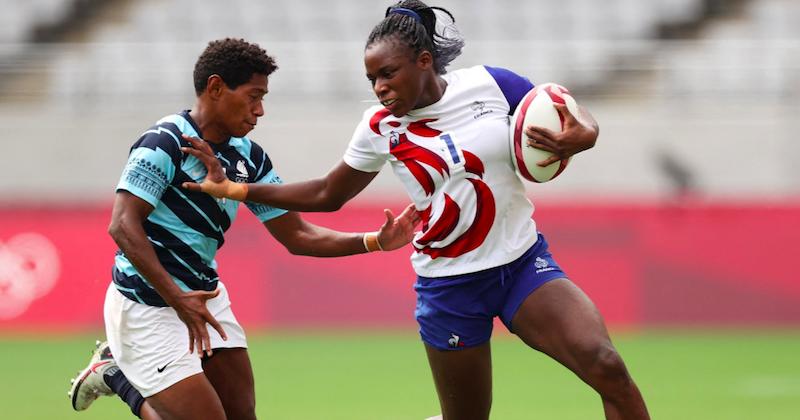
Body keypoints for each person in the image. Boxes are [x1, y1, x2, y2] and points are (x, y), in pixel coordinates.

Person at [181, 2, 651, 419]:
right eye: (372, 79)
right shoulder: (379, 127)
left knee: (607, 366)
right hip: (450, 287)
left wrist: (586, 133)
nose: (380, 88)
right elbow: (327, 193)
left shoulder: (491, 83)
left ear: (424, 61)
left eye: (388, 74)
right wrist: (235, 189)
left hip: (522, 266)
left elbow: (565, 111)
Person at [67, 37, 420, 420]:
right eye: (253, 96)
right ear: (216, 88)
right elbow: (122, 225)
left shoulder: (248, 158)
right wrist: (177, 299)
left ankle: (117, 369)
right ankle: (117, 376)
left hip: (204, 296)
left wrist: (374, 241)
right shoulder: (164, 143)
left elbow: (298, 236)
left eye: (262, 98)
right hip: (148, 304)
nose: (260, 110)